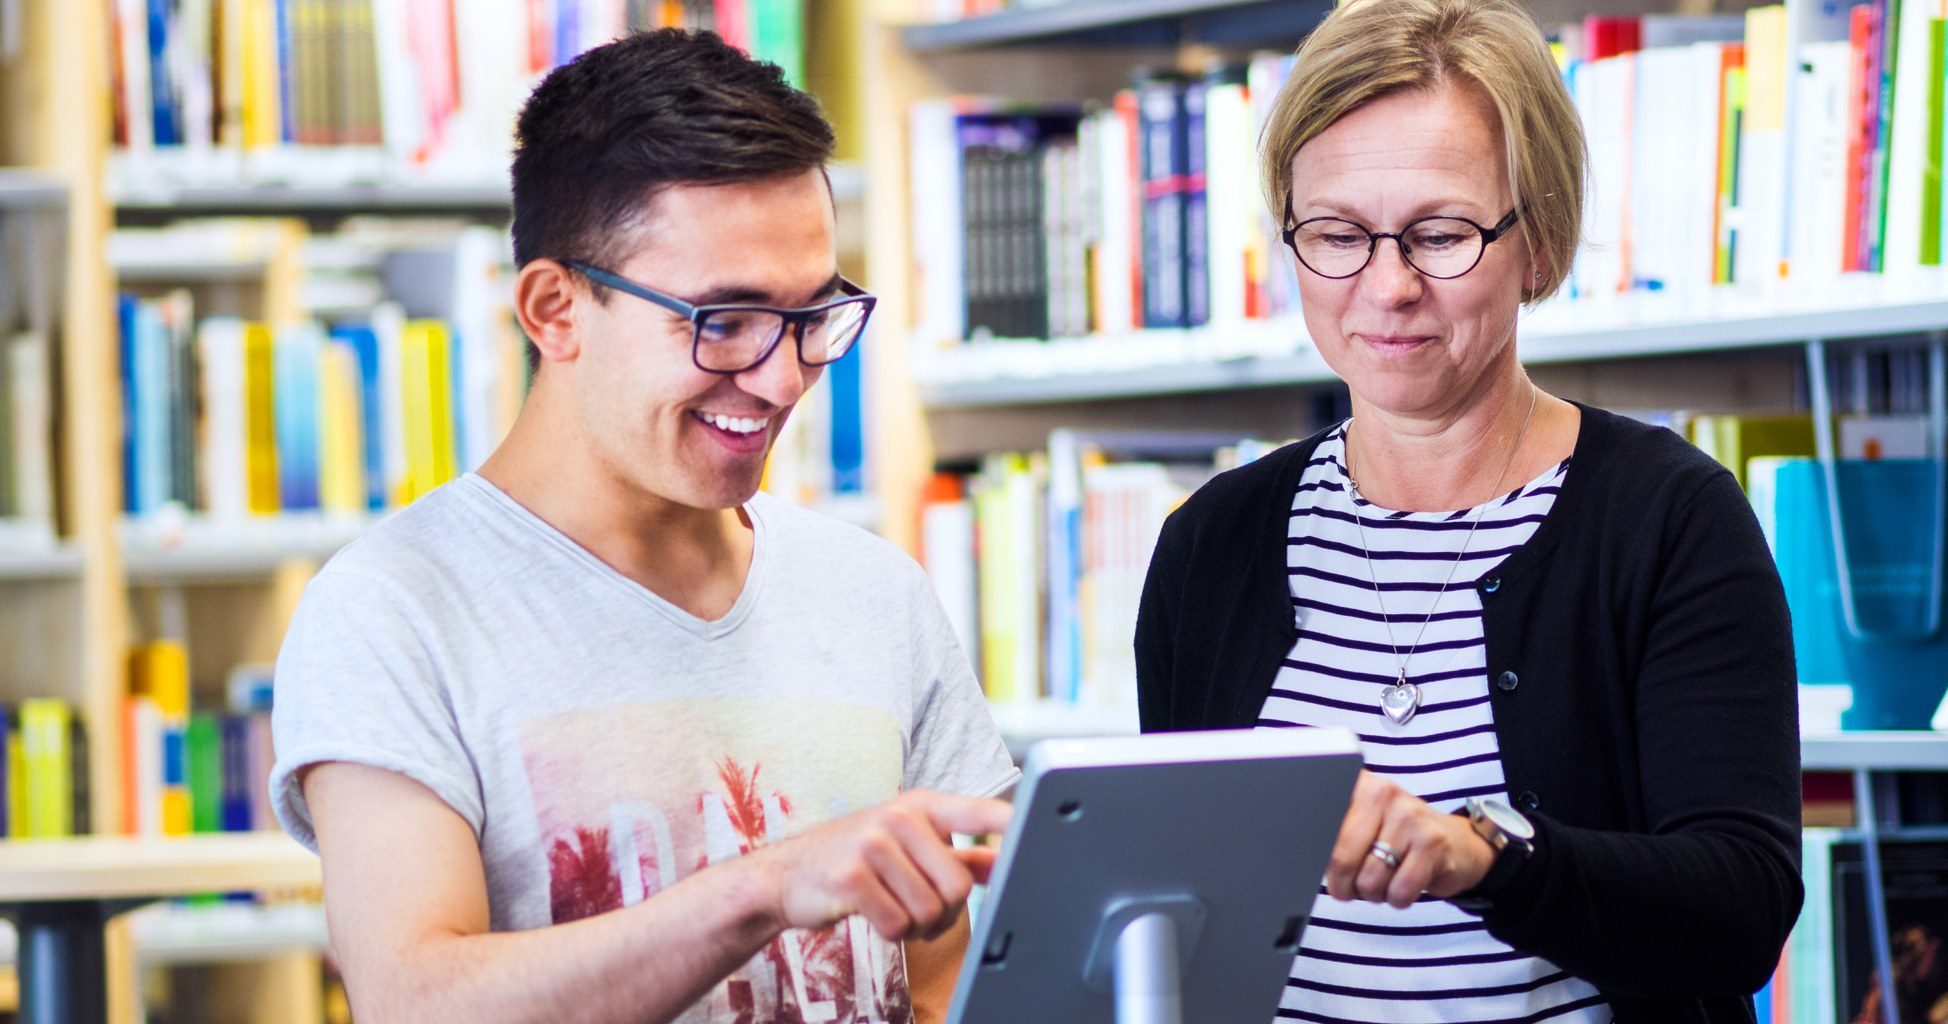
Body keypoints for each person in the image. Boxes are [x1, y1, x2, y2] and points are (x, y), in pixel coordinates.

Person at [269, 29, 1018, 1024]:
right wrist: (760, 888)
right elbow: (415, 1000)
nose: (783, 377)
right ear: (554, 309)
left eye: (810, 315)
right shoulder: (392, 611)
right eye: (724, 320)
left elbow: (942, 989)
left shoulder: (874, 591)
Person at [1133, 0, 1802, 1021]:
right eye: (1336, 234)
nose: (1386, 285)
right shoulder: (1209, 544)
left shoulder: (1666, 517)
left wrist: (1487, 856)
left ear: (1535, 242)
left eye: (1439, 234)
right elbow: (1183, 913)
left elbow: (1737, 909)